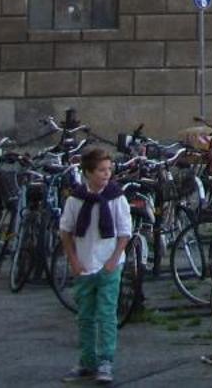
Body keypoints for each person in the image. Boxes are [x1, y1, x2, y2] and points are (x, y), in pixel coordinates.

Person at [59, 146, 132, 384]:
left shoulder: (116, 198)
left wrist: (113, 260)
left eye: (109, 169)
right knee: (85, 315)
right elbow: (66, 231)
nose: (106, 174)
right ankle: (86, 360)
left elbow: (124, 232)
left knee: (107, 312)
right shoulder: (76, 199)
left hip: (108, 264)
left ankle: (106, 359)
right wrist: (73, 260)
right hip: (84, 264)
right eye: (101, 170)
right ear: (88, 172)